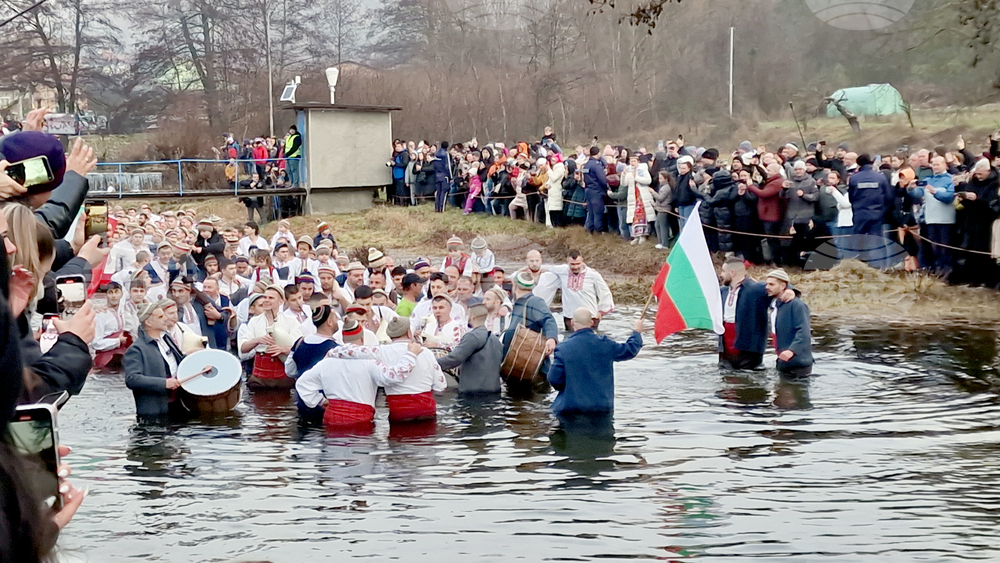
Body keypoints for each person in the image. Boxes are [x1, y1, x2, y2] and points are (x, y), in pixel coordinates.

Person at [295, 319, 421, 431]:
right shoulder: (371, 364)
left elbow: (302, 383)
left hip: (333, 417)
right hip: (360, 420)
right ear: (362, 339)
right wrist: (411, 355)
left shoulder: (326, 363)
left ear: (343, 340)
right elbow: (395, 376)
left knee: (333, 454)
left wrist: (320, 401)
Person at [347, 316, 447, 422]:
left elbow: (355, 352)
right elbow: (440, 385)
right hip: (426, 410)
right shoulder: (426, 353)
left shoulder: (381, 351)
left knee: (399, 438)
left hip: (399, 411)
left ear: (390, 336)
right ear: (409, 333)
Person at [548, 308, 644, 417]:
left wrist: (568, 387)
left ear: (572, 322)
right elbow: (629, 350)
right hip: (602, 407)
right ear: (592, 323)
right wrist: (636, 332)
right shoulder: (605, 344)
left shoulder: (562, 348)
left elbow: (554, 379)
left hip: (571, 407)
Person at [124, 303, 187, 418]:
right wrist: (164, 383)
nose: (165, 319)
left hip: (178, 405)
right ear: (148, 322)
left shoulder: (166, 338)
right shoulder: (137, 349)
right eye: (160, 317)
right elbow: (132, 379)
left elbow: (178, 360)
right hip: (155, 411)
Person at [534, 251, 614, 332]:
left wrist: (601, 311)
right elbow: (546, 267)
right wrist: (531, 270)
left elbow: (604, 292)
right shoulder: (562, 270)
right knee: (570, 340)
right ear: (567, 262)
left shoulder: (593, 275)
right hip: (570, 317)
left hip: (589, 317)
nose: (575, 267)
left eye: (578, 264)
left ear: (583, 261)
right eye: (572, 264)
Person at [502, 271, 559, 382]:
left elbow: (549, 319)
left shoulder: (535, 302)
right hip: (517, 370)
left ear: (514, 284)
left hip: (533, 371)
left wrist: (552, 338)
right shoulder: (517, 304)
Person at [437, 303, 504, 394]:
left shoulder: (472, 337)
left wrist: (431, 363)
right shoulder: (495, 340)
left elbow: (454, 359)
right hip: (494, 390)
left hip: (473, 393)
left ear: (472, 316)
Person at [908, 155, 956, 275]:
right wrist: (910, 188)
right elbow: (917, 193)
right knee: (934, 249)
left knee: (945, 249)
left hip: (946, 220)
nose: (935, 167)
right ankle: (936, 271)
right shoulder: (928, 180)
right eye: (933, 164)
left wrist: (935, 192)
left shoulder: (951, 179)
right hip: (930, 219)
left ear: (945, 165)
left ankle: (946, 273)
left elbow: (949, 198)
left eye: (938, 164)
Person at [765, 270, 814, 377]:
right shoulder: (774, 302)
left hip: (798, 364)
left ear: (783, 286)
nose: (767, 287)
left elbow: (804, 332)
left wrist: (791, 351)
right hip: (783, 361)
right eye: (767, 284)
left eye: (771, 284)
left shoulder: (797, 305)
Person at [91, 282, 132, 370]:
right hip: (108, 360)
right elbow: (96, 343)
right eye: (110, 292)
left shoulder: (126, 312)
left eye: (116, 292)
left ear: (121, 294)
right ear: (106, 295)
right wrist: (118, 341)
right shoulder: (100, 315)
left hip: (124, 356)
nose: (114, 296)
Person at [582, 146, 608, 233]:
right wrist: (607, 187)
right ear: (598, 153)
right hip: (597, 191)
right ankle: (598, 232)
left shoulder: (587, 164)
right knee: (598, 213)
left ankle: (589, 231)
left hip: (588, 190)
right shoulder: (596, 165)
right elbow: (602, 179)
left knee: (591, 213)